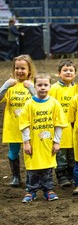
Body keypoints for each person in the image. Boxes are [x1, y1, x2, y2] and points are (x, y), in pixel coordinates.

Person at [19, 73, 68, 203]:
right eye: (39, 85)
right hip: (34, 143)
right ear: (34, 86)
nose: (42, 88)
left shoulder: (54, 103)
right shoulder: (29, 104)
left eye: (45, 85)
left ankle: (48, 190)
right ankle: (31, 191)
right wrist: (26, 142)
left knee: (47, 168)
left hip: (48, 144)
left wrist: (57, 142)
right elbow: (24, 125)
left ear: (50, 86)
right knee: (32, 168)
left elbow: (59, 125)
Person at [0, 54, 36, 187]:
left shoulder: (33, 85)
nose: (19, 71)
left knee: (30, 152)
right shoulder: (10, 86)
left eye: (23, 68)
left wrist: (31, 88)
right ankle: (15, 176)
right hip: (13, 126)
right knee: (13, 151)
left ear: (29, 70)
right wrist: (5, 86)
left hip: (30, 127)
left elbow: (41, 100)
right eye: (17, 68)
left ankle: (31, 177)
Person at [49, 59, 78, 187]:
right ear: (59, 73)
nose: (68, 72)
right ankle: (62, 177)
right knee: (60, 154)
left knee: (72, 153)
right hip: (59, 127)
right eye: (65, 70)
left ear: (75, 73)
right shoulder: (54, 88)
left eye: (71, 70)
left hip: (73, 127)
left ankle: (72, 175)